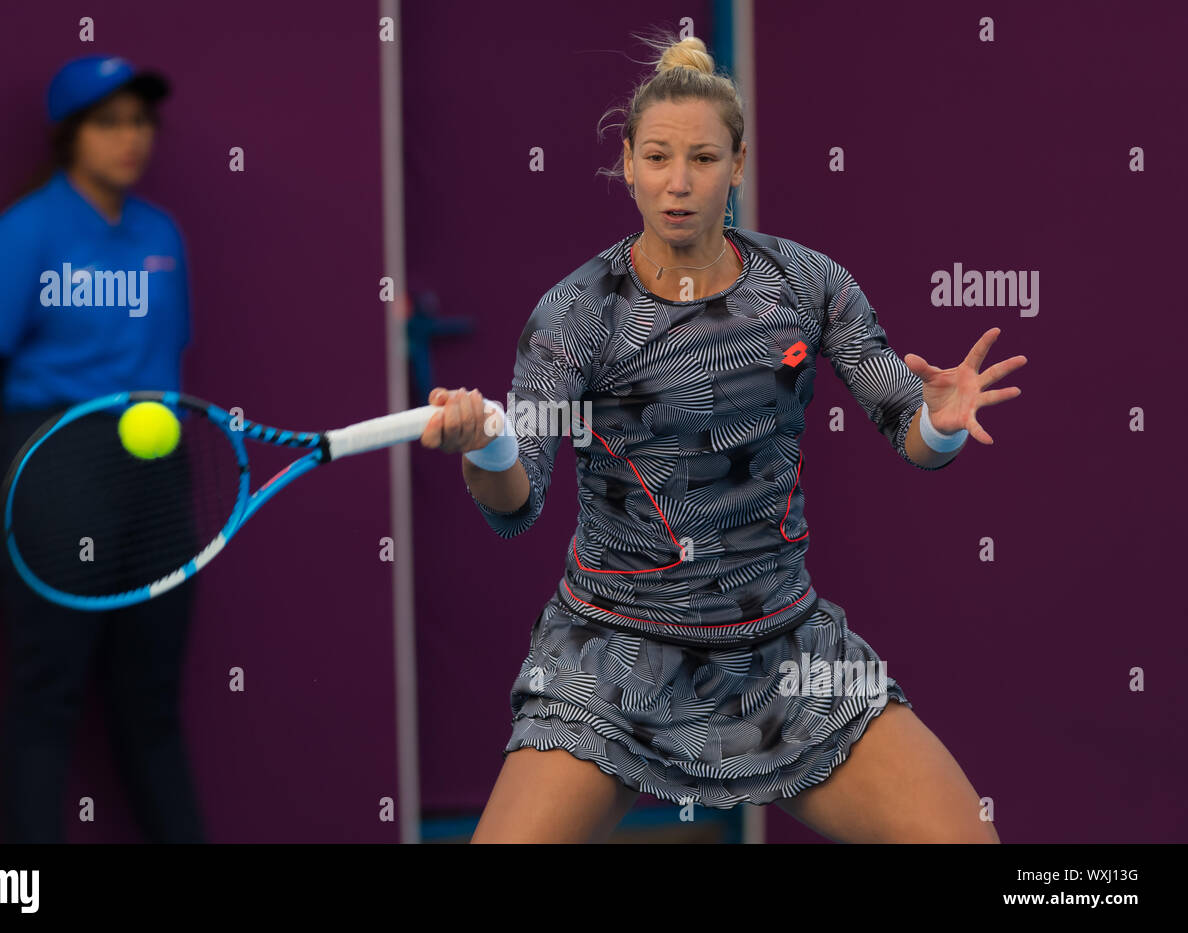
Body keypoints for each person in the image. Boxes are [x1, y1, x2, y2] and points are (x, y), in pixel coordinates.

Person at [420, 34, 1025, 843]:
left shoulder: (809, 285)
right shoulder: (573, 313)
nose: (679, 183)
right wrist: (487, 446)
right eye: (659, 157)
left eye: (703, 158)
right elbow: (514, 503)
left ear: (737, 165)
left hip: (785, 655)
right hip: (610, 658)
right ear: (627, 164)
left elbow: (902, 422)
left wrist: (938, 425)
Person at [0, 55, 204, 843]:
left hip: (153, 480)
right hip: (51, 474)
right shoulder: (23, 234)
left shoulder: (161, 236)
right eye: (109, 121)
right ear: (69, 135)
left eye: (141, 121)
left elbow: (166, 357)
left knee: (151, 704)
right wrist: (38, 452)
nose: (131, 138)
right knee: (47, 692)